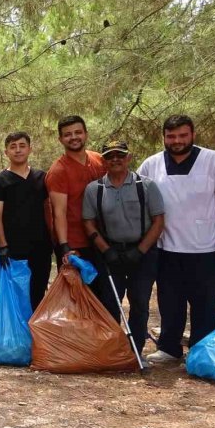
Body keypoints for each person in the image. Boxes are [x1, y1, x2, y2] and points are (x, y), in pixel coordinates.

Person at [138, 115, 215, 363]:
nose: (177, 141)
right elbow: (140, 200)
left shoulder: (213, 161)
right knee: (170, 302)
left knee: (205, 304)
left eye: (182, 135)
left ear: (192, 134)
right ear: (164, 137)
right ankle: (169, 347)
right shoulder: (151, 164)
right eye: (171, 136)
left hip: (204, 247)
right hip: (166, 247)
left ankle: (202, 351)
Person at [82, 141, 164, 355]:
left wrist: (140, 251)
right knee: (110, 303)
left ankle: (135, 350)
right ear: (104, 161)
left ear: (128, 158)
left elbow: (158, 221)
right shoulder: (95, 189)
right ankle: (113, 351)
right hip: (110, 254)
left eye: (120, 155)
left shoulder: (146, 185)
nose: (115, 159)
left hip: (142, 254)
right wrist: (105, 249)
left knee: (139, 303)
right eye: (110, 156)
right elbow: (89, 223)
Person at [45, 115, 115, 314]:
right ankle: (77, 343)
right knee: (77, 299)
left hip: (102, 240)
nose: (73, 137)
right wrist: (65, 247)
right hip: (76, 244)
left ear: (86, 134)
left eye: (77, 132)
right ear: (60, 139)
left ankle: (104, 341)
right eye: (67, 135)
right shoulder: (58, 171)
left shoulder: (99, 161)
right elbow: (58, 212)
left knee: (105, 296)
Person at [0, 131, 52, 310]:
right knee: (12, 297)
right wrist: (3, 246)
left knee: (37, 293)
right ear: (6, 152)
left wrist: (54, 240)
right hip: (11, 249)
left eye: (22, 146)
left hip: (40, 247)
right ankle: (14, 336)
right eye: (13, 147)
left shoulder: (42, 178)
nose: (18, 150)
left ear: (30, 149)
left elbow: (49, 210)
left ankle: (34, 335)